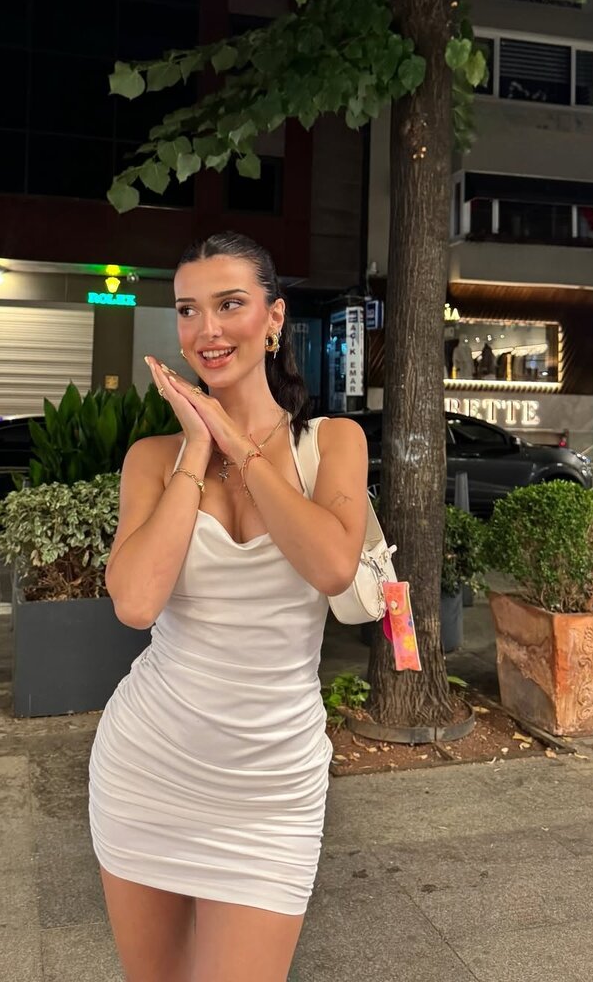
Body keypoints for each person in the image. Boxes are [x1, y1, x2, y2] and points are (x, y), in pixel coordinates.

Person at [88, 231, 369, 982]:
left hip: (272, 790)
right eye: (188, 310)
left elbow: (332, 566)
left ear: (274, 318)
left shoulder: (333, 443)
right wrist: (194, 448)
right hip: (148, 769)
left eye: (230, 304)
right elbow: (136, 604)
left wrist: (236, 442)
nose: (206, 329)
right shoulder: (154, 458)